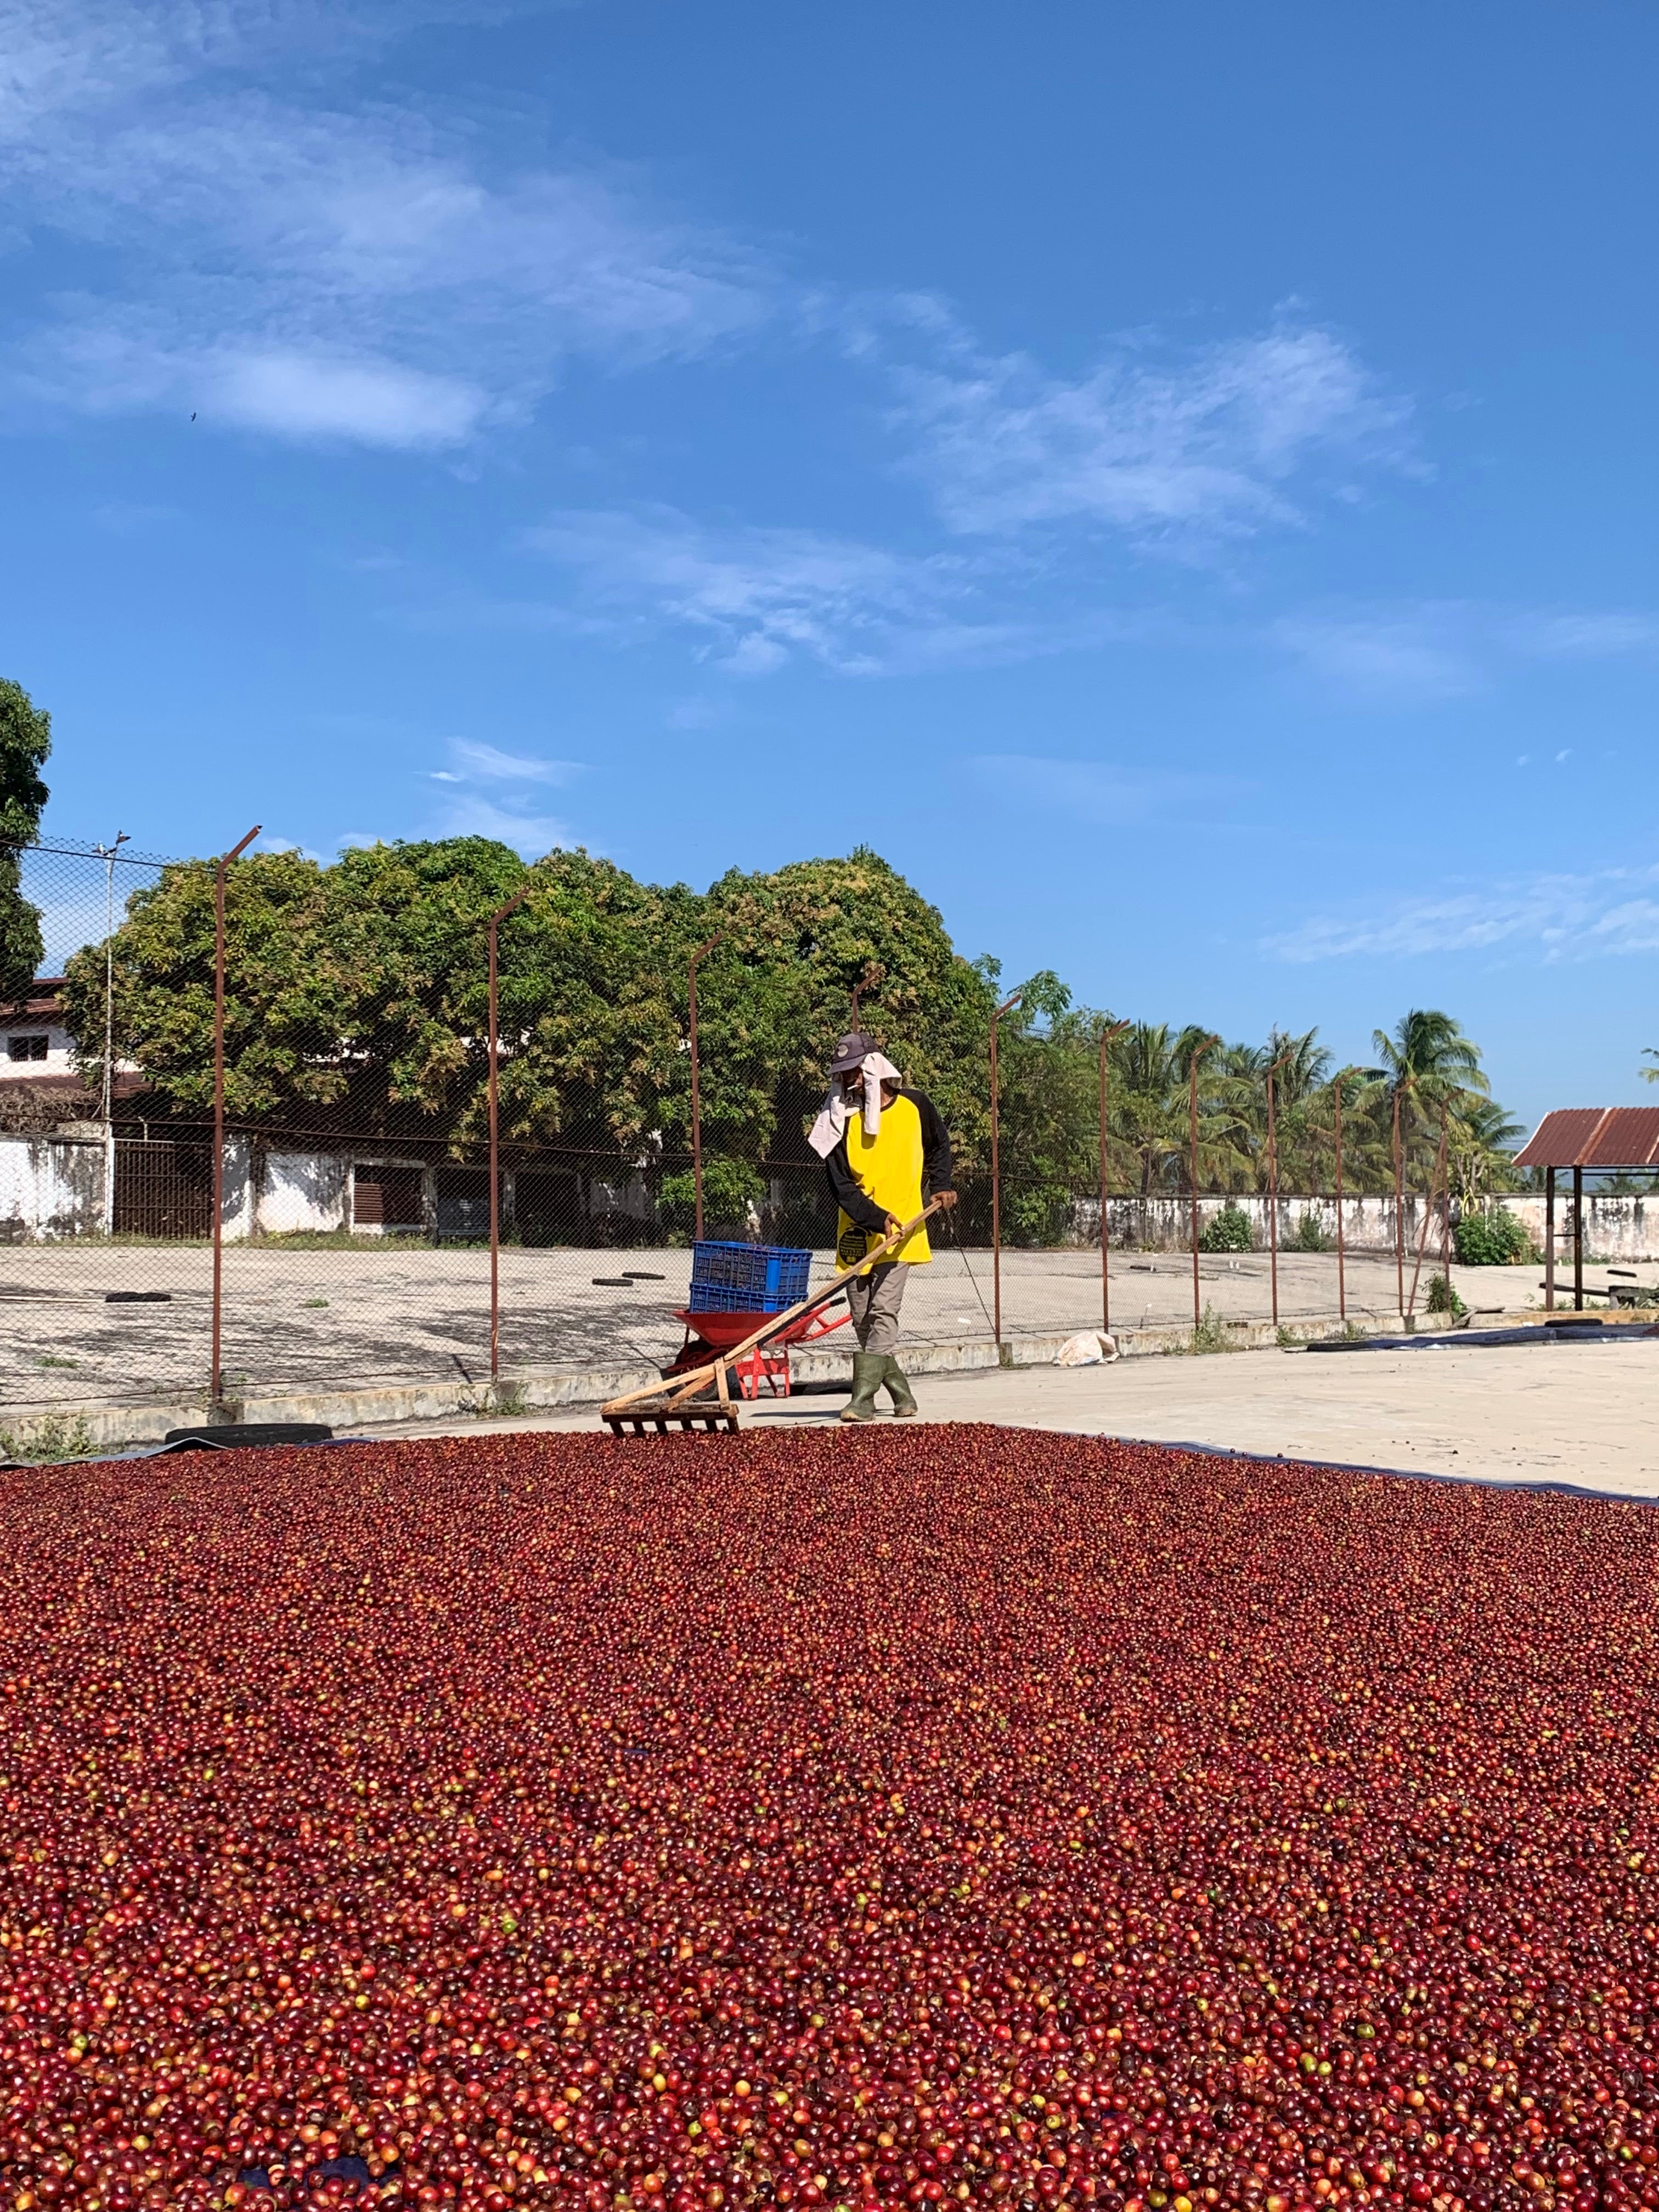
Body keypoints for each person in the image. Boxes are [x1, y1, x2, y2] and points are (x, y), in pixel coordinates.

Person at [807, 1030, 956, 1423]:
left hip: (906, 1224)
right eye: (843, 1074)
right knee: (862, 1317)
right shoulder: (839, 1120)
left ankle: (861, 1399)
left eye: (854, 1071)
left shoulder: (915, 1106)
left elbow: (940, 1145)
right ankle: (899, 1393)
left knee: (884, 1310)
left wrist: (941, 1186)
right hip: (857, 1229)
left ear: (874, 1068)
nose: (849, 1080)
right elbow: (841, 1186)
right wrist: (876, 1218)